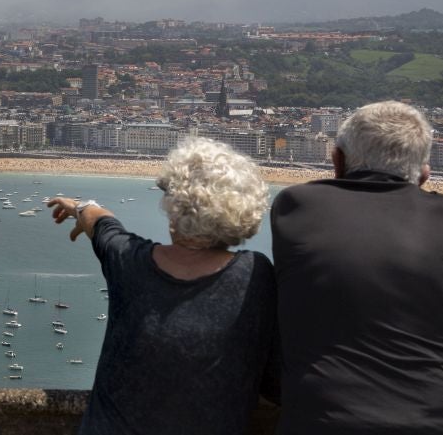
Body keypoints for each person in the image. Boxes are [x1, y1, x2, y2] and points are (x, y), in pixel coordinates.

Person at [270, 101, 443, 435]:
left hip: (327, 422)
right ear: (425, 172)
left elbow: (346, 257)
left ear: (337, 160)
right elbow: (394, 255)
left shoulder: (296, 206)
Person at [49, 137, 279, 435]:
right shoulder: (256, 275)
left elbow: (103, 224)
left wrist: (80, 207)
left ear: (174, 208)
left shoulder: (129, 262)